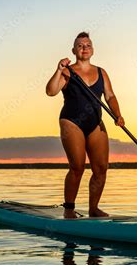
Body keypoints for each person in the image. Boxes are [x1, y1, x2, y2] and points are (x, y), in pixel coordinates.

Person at [46, 32, 125, 218]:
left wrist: (118, 114)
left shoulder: (101, 72)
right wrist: (58, 70)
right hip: (71, 122)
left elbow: (110, 96)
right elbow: (50, 91)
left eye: (88, 45)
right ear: (74, 50)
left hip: (95, 122)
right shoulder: (67, 71)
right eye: (80, 45)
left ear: (93, 49)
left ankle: (93, 208)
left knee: (101, 168)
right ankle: (68, 209)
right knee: (77, 167)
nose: (84, 48)